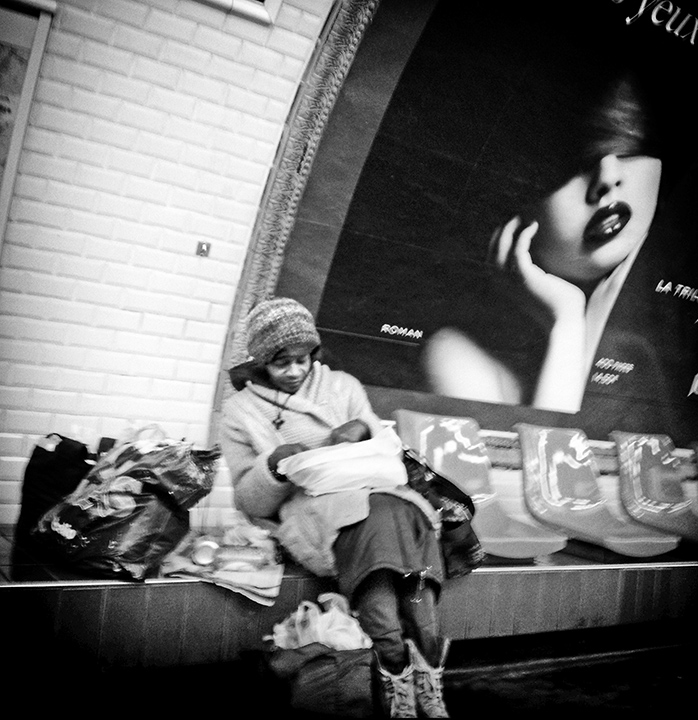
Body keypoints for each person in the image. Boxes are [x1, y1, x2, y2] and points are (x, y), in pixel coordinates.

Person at [220, 296, 450, 718]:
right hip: (311, 513)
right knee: (376, 523)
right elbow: (247, 501)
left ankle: (422, 681)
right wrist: (274, 465)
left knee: (408, 516)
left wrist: (362, 427)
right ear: (259, 361)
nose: (294, 371)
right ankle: (399, 672)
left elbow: (386, 450)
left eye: (303, 358)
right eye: (280, 362)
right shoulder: (240, 411)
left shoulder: (343, 386)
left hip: (378, 495)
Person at [422, 70, 665, 413]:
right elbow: (555, 460)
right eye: (574, 164)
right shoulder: (454, 353)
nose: (608, 178)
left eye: (628, 147)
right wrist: (566, 320)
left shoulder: (653, 348)